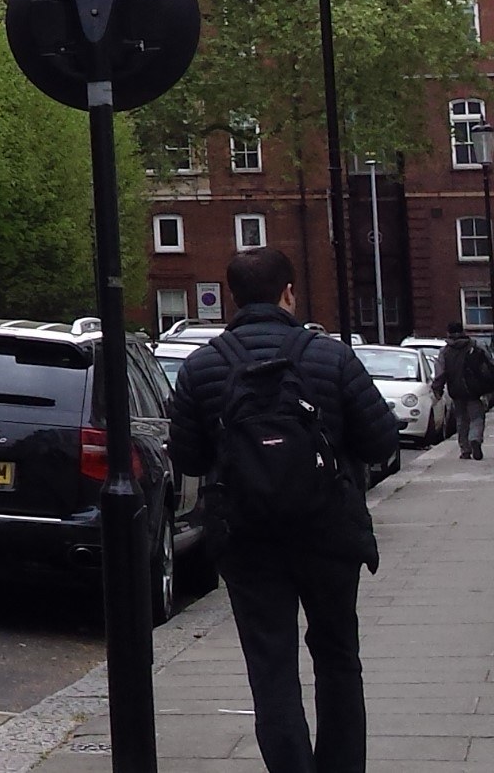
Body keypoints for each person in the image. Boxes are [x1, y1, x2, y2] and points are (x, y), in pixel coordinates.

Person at [169, 247, 403, 773]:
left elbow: (187, 457)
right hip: (328, 534)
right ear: (289, 293)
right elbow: (381, 441)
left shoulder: (203, 366)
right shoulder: (331, 357)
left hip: (248, 541)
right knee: (338, 655)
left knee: (271, 666)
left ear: (231, 297)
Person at [445, 330, 494, 461]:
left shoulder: (446, 351)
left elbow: (440, 372)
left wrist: (437, 389)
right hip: (474, 390)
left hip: (456, 391)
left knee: (461, 420)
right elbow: (489, 364)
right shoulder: (474, 346)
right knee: (477, 417)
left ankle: (465, 450)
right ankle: (475, 439)